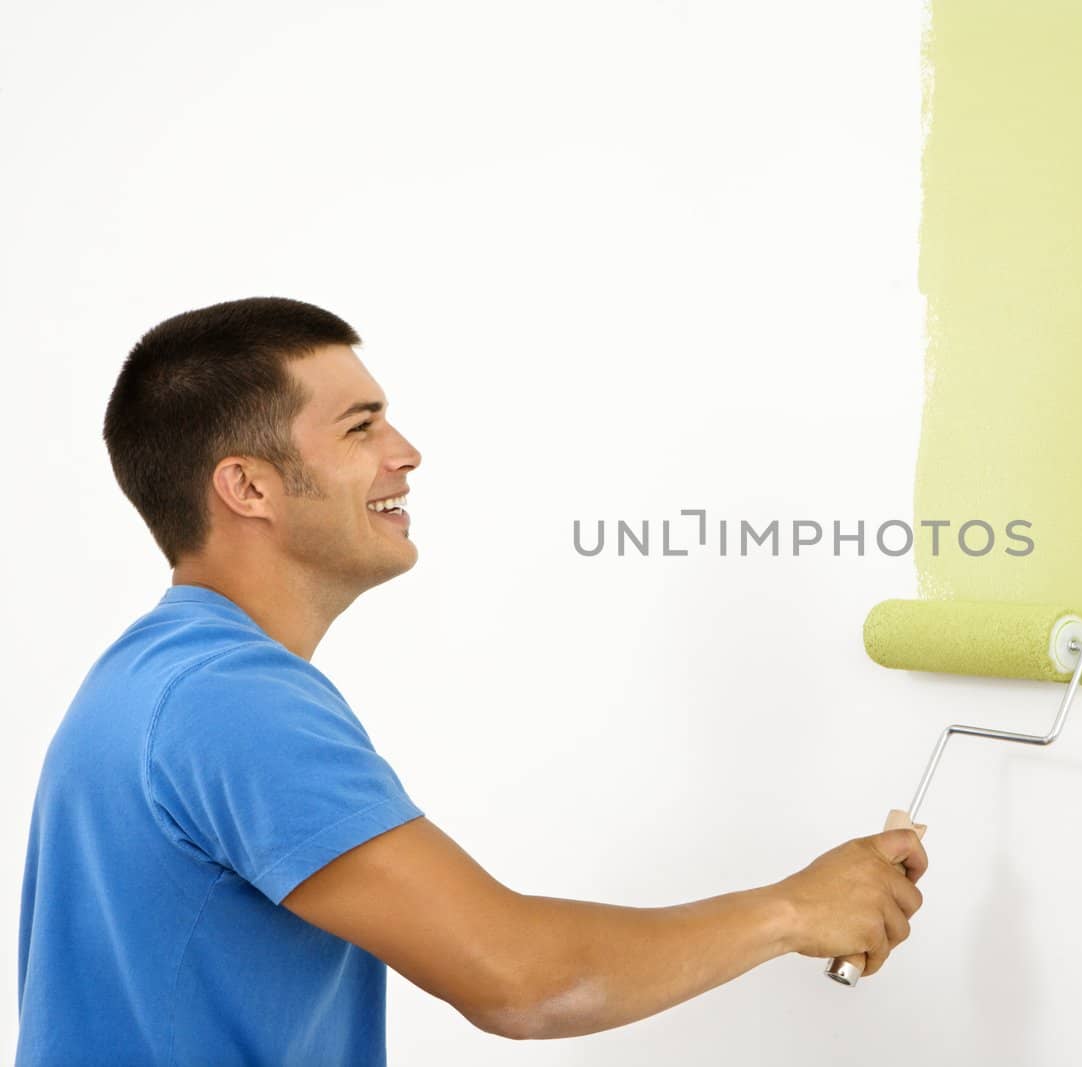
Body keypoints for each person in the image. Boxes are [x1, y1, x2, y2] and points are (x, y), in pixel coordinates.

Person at [15, 297, 929, 1064]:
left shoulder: (158, 676)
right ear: (248, 487)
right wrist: (793, 910)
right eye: (361, 425)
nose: (405, 451)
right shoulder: (228, 699)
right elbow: (521, 980)